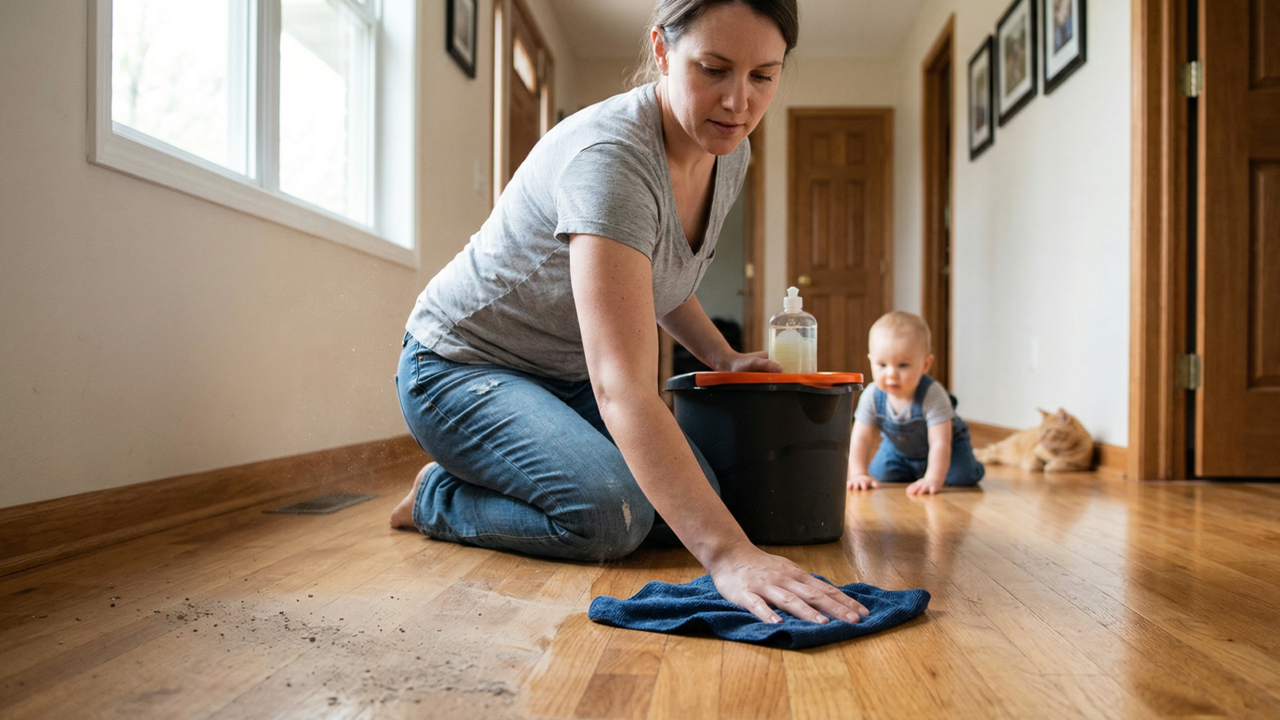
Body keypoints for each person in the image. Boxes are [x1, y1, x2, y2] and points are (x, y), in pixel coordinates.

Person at [389, 0, 868, 627]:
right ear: (663, 52)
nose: (737, 102)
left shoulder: (730, 153)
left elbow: (659, 276)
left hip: (563, 378)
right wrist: (729, 555)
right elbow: (621, 387)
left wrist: (721, 355)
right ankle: (436, 497)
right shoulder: (611, 160)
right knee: (611, 516)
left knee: (693, 501)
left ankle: (516, 464)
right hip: (457, 368)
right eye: (713, 69)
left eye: (763, 76)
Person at [847, 312, 985, 495]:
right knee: (880, 474)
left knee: (960, 477)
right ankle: (915, 471)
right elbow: (860, 439)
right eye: (882, 365)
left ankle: (970, 465)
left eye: (903, 365)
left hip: (948, 448)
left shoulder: (932, 394)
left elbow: (939, 443)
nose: (891, 374)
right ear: (871, 361)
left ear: (925, 364)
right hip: (898, 451)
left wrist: (933, 479)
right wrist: (858, 474)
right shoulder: (872, 395)